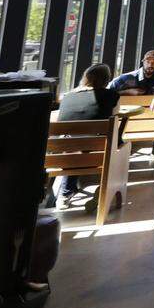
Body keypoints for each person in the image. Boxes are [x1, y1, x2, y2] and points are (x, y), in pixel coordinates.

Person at [52, 63, 117, 206]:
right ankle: (107, 189)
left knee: (75, 145)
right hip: (95, 151)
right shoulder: (110, 95)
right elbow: (114, 117)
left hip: (59, 153)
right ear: (106, 79)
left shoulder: (68, 96)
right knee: (117, 142)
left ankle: (65, 192)